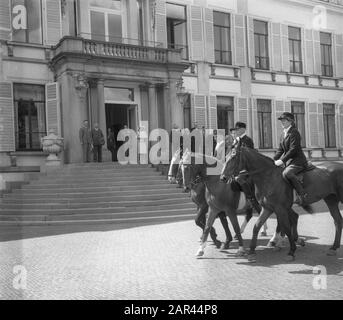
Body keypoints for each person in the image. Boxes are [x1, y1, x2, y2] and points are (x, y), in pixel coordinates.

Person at [274, 112, 308, 205]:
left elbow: (293, 149)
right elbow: (280, 150)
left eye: (284, 120)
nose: (282, 122)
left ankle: (302, 194)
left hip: (298, 161)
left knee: (287, 173)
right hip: (289, 162)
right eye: (281, 120)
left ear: (290, 121)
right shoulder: (283, 134)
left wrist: (281, 160)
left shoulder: (294, 132)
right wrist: (273, 160)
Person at [230, 122, 261, 214]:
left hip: (246, 167)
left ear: (243, 129)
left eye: (238, 129)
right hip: (237, 167)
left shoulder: (248, 140)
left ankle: (251, 200)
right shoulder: (236, 140)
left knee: (241, 179)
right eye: (236, 130)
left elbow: (249, 155)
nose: (237, 131)